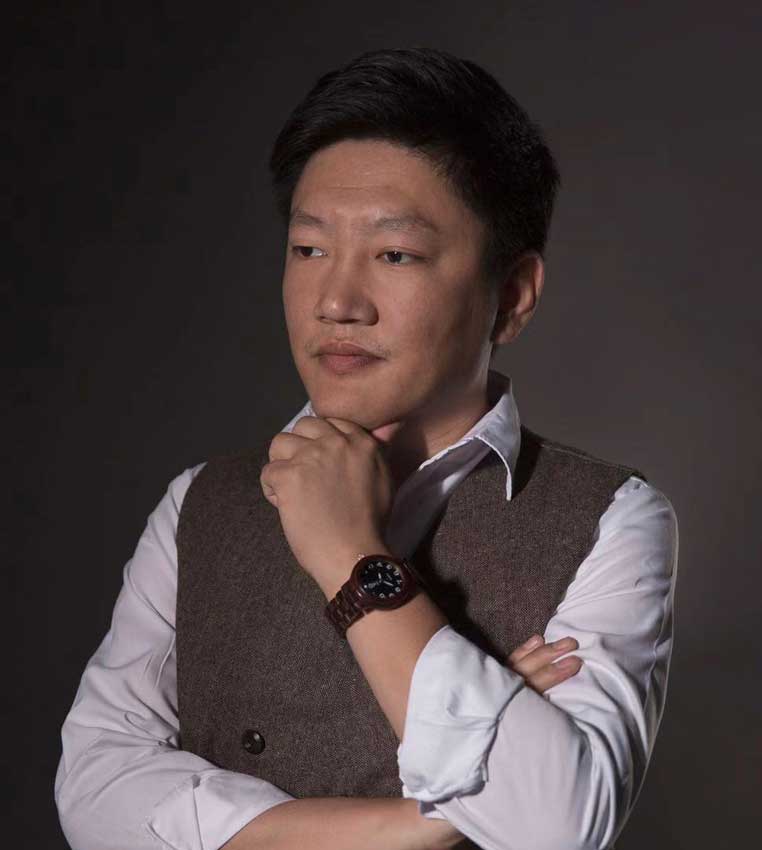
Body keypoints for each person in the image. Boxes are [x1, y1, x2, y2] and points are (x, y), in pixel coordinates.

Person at [54, 47, 679, 850]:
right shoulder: (200, 501)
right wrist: (428, 821)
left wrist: (351, 556)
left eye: (395, 255)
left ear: (513, 296)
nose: (337, 302)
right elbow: (96, 793)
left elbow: (556, 826)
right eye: (309, 249)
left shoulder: (612, 519)